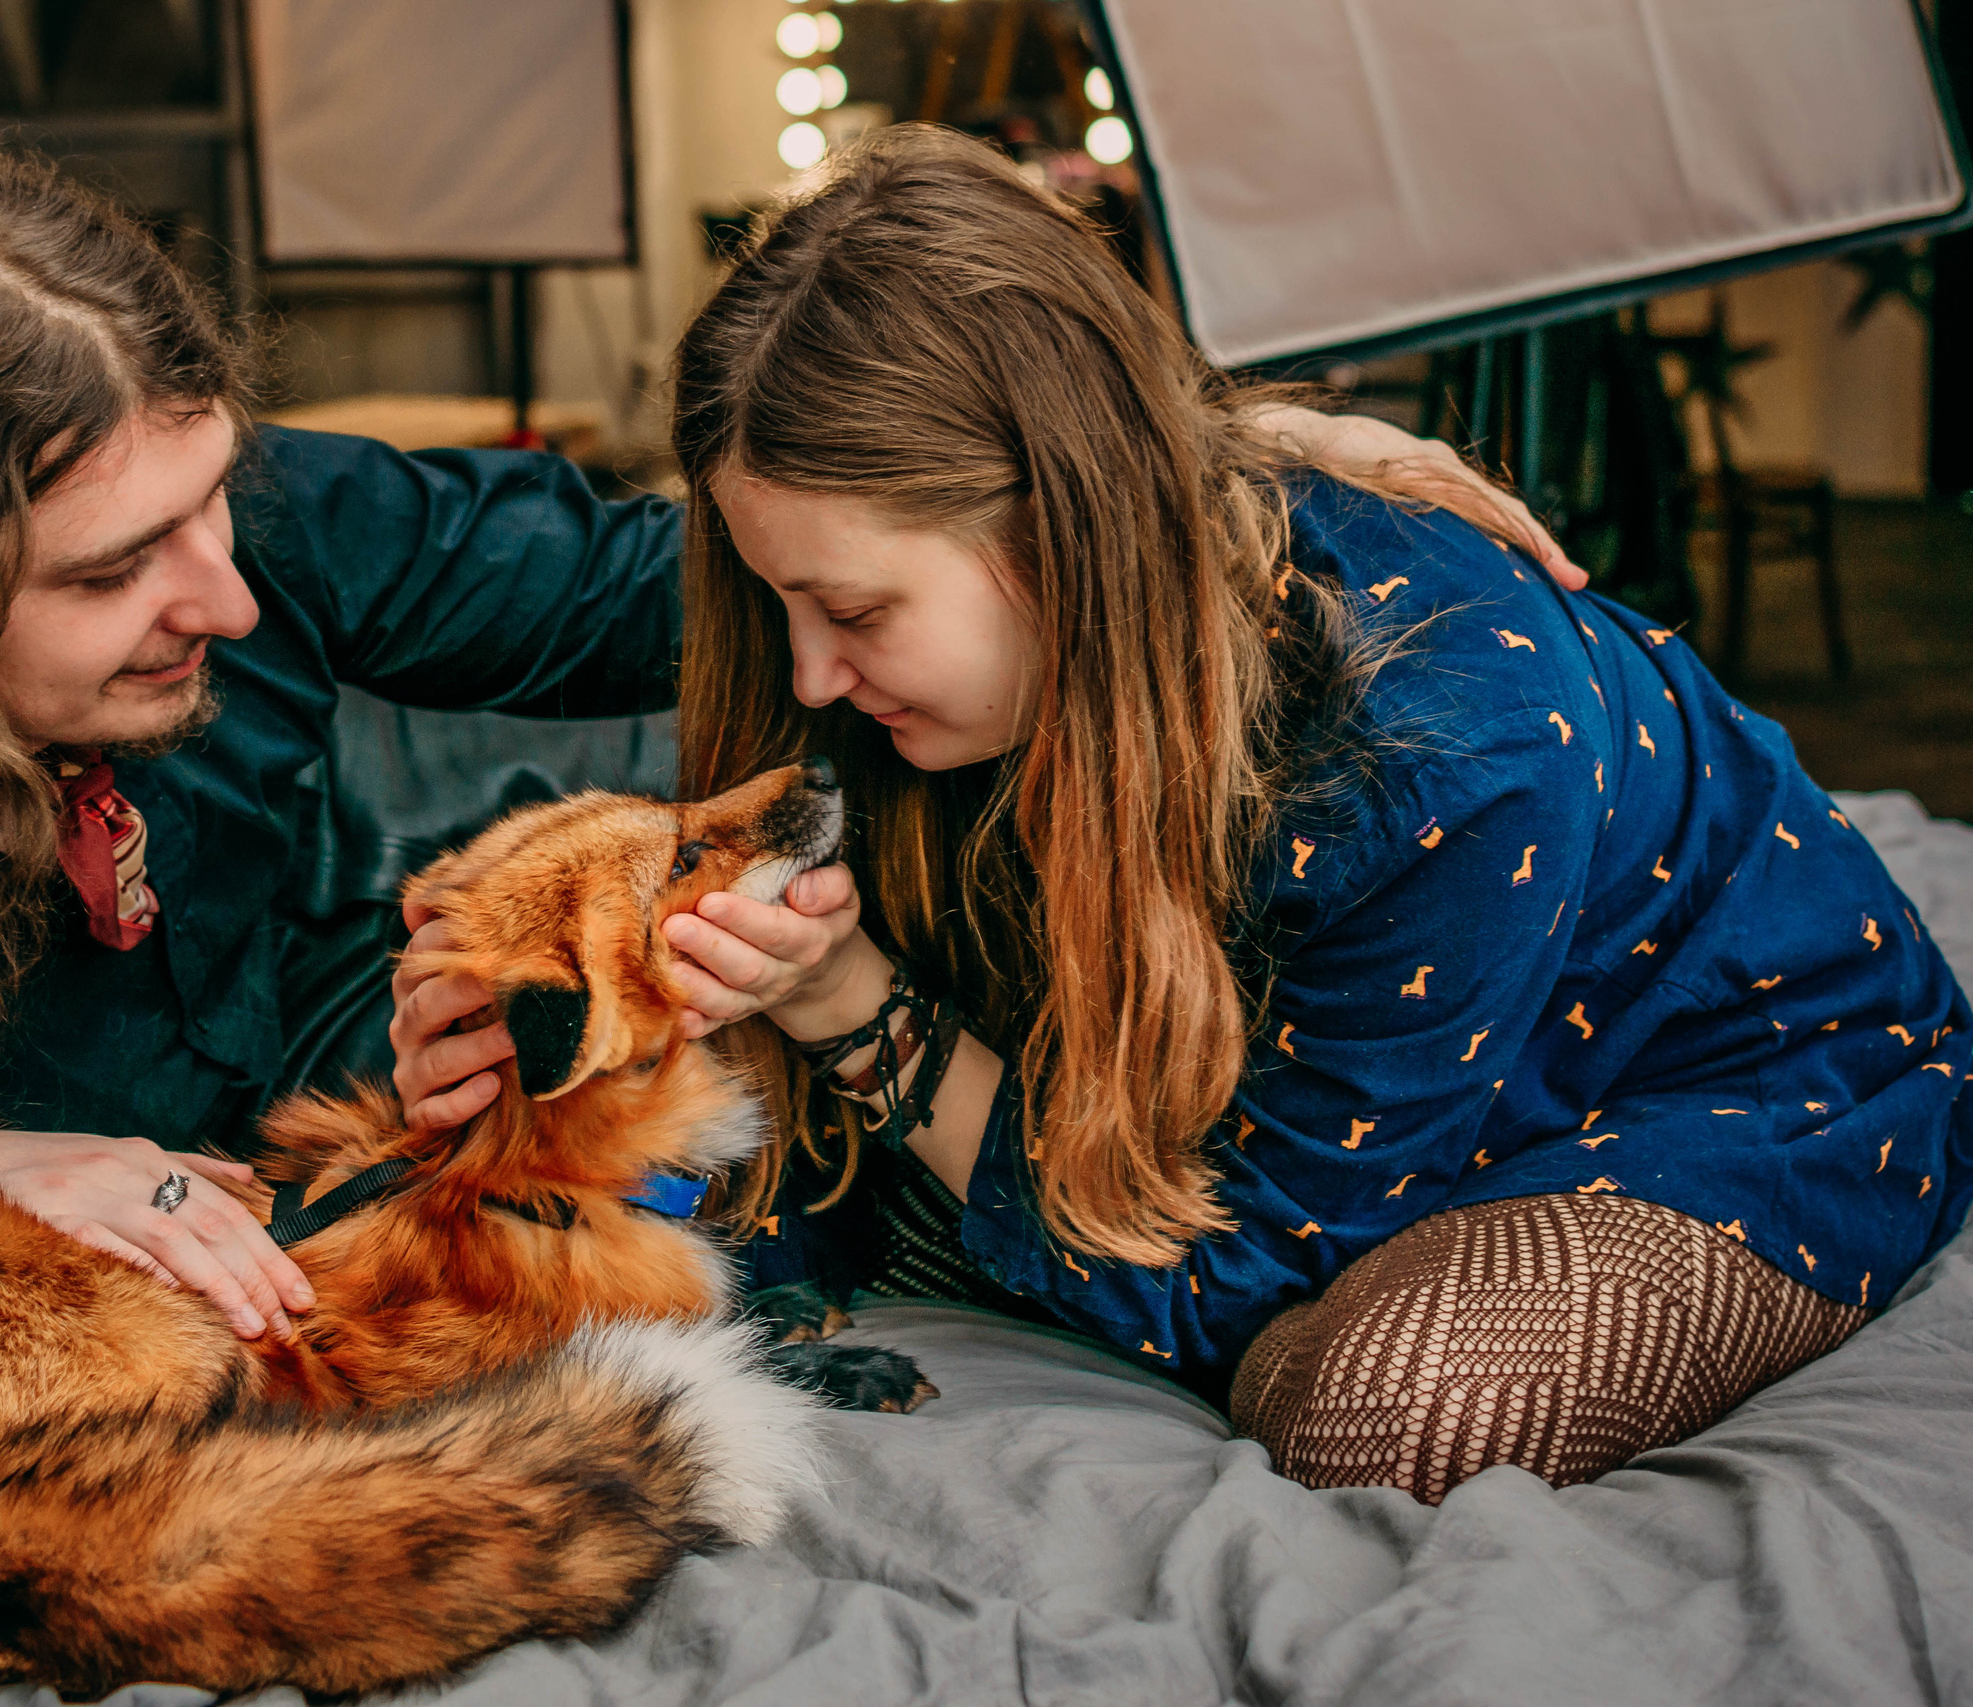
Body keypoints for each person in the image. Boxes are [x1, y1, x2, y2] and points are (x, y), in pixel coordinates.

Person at [0, 150, 1572, 1518]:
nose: (218, 591)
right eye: (117, 569)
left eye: (215, 503)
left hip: (369, 1128)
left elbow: (685, 571)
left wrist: (1156, 453)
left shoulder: (242, 530)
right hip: (115, 1314)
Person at [401, 128, 1973, 1502]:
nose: (810, 678)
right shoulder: (971, 647)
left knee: (1385, 1409)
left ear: (1070, 528)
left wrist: (854, 1010)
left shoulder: (1454, 750)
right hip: (1267, 1080)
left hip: (1717, 1081)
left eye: (855, 612)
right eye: (781, 604)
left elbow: (1228, 1283)